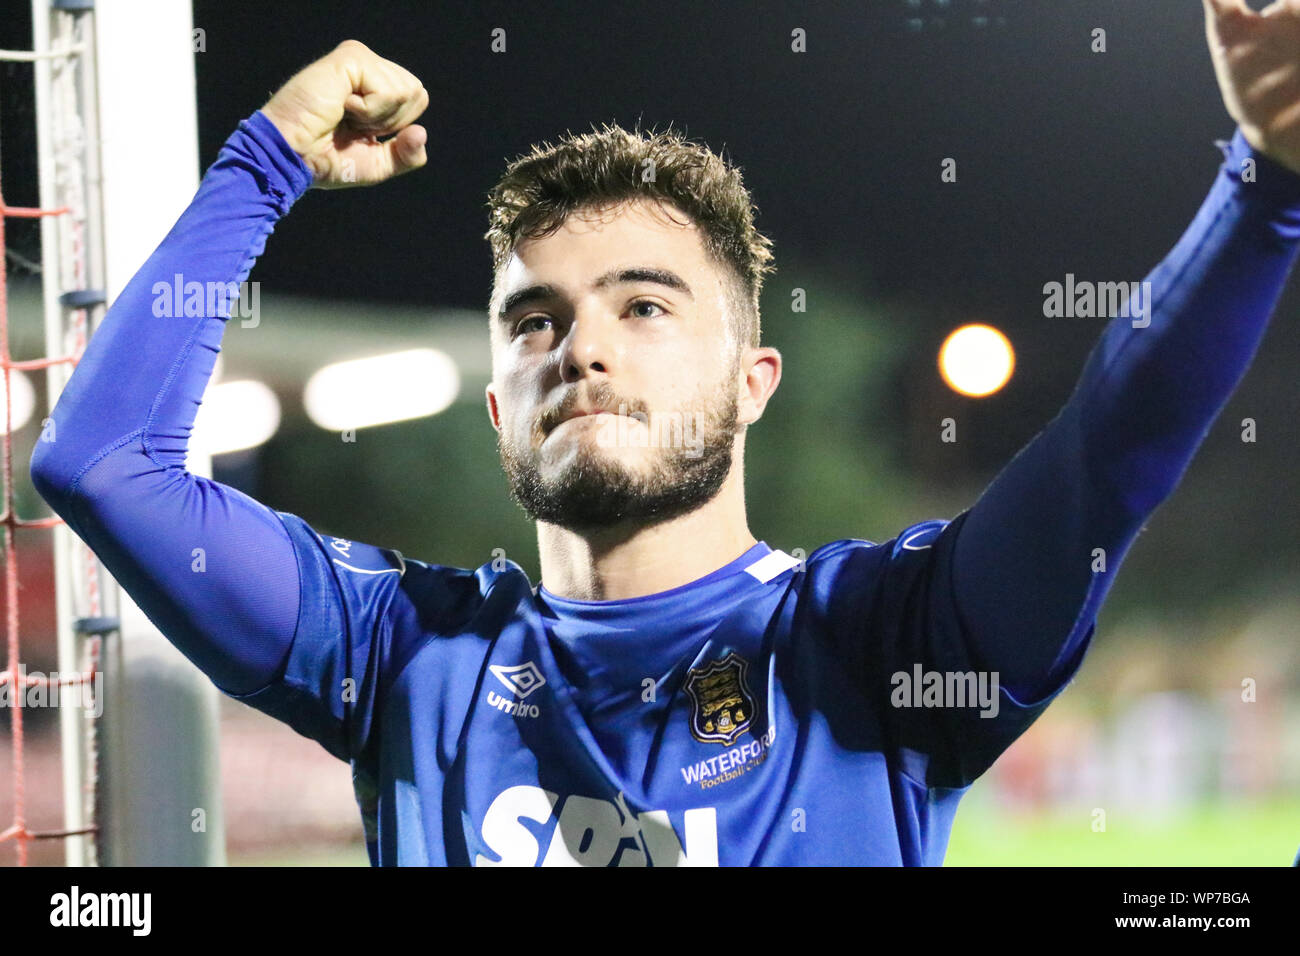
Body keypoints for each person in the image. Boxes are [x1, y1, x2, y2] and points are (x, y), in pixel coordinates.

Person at [29, 1, 1300, 865]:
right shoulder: (402, 655)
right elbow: (99, 463)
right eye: (533, 322)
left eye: (644, 304)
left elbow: (1107, 455)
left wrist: (1265, 186)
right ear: (496, 408)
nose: (579, 345)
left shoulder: (876, 644)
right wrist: (265, 163)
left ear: (754, 379)